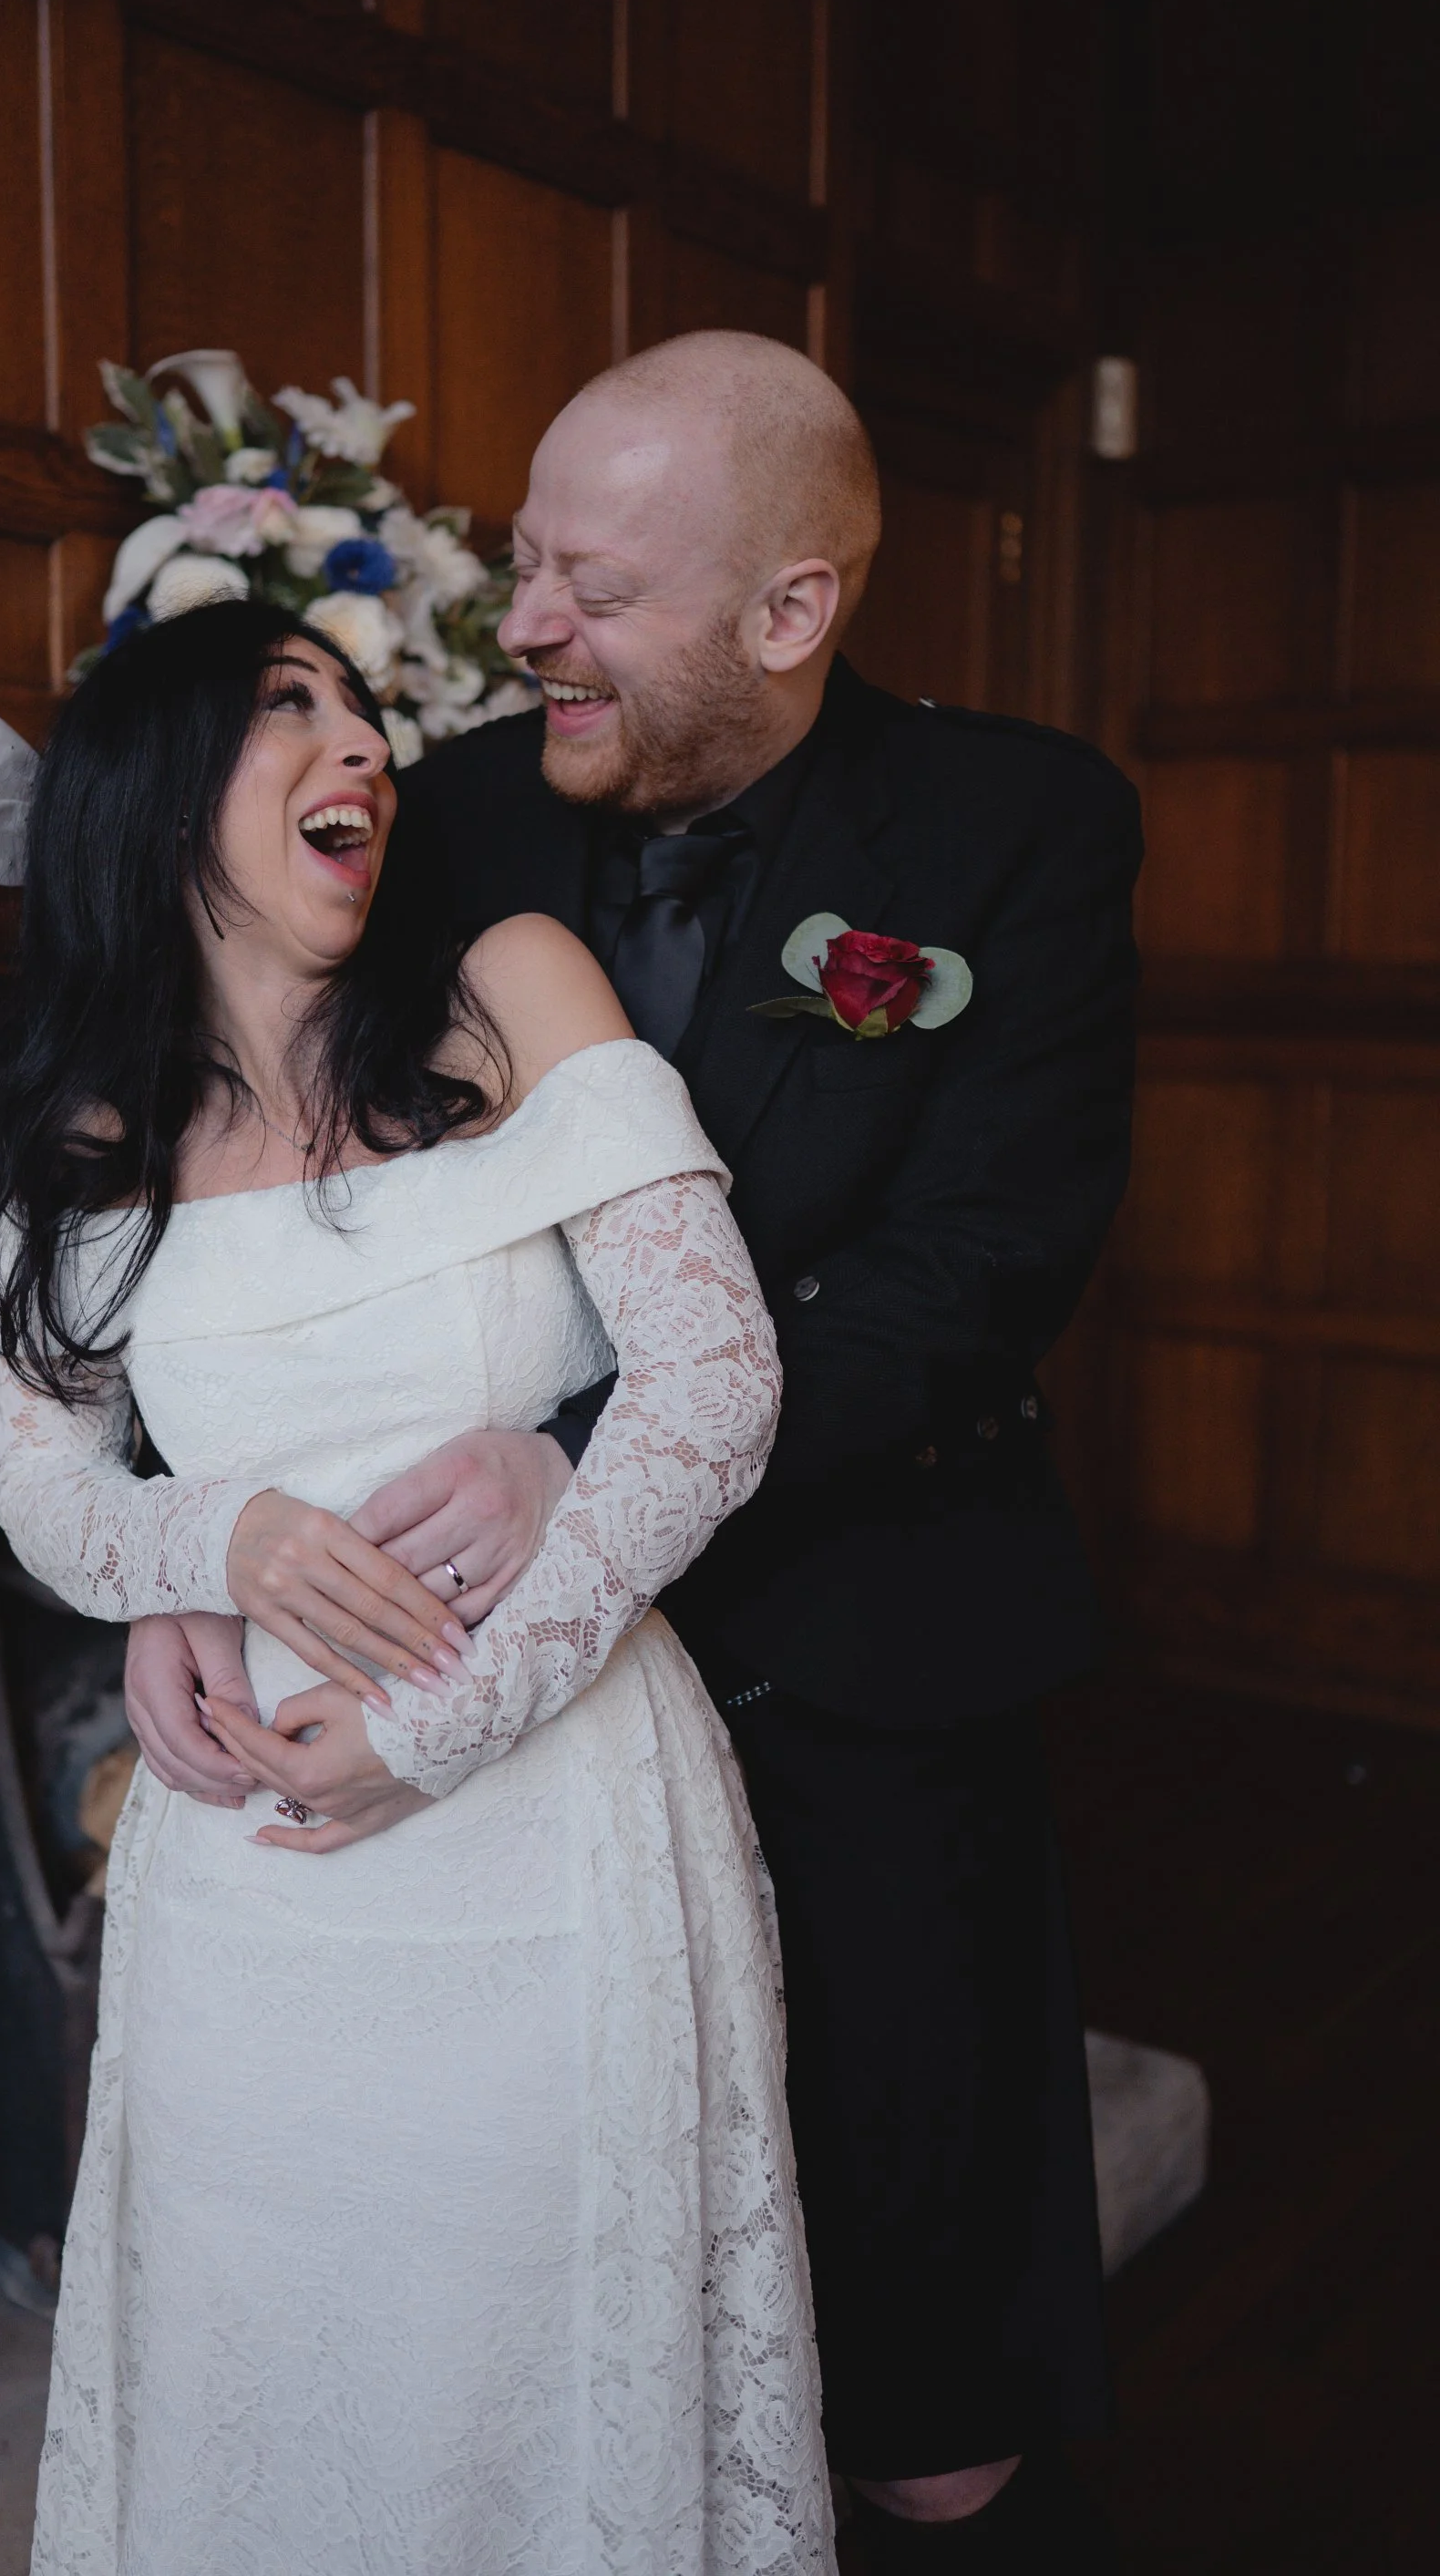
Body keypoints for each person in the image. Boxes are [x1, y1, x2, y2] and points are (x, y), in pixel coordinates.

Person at [345, 331, 1141, 2568]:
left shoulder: (1016, 826)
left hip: (870, 1663)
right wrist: (214, 1549)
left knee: (919, 2385)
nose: (523, 627)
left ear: (790, 610)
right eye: (522, 563)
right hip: (528, 1711)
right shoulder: (462, 810)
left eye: (591, 585)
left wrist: (591, 1460)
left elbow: (968, 1275)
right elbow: (294, 1200)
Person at [0, 599, 830, 2574]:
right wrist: (221, 1544)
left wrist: (439, 1719)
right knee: (260, 2353)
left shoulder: (511, 989)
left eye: (366, 709)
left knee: (530, 2366)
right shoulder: (94, 1132)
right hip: (250, 1877)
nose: (360, 741)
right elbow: (47, 1498)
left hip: (549, 1820)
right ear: (151, 799)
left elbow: (714, 1389)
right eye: (293, 708)